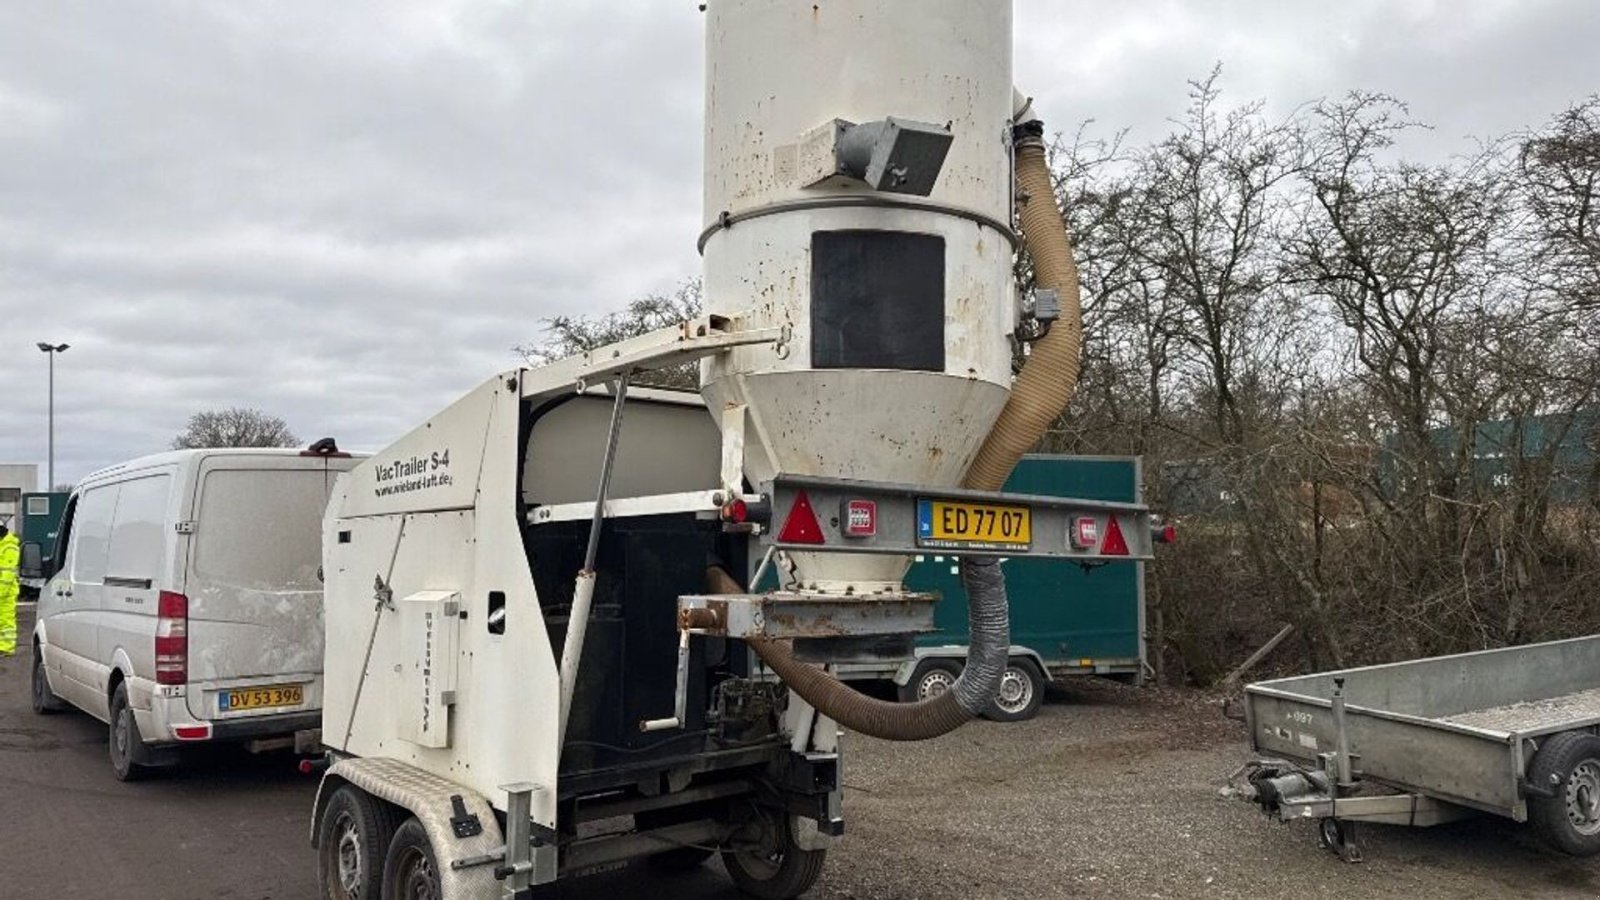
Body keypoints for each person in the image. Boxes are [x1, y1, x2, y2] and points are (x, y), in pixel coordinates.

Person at [0, 522, 18, 656]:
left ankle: (7, 648)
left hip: (6, 593)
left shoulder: (10, 547)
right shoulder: (3, 545)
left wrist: (1, 592)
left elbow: (8, 574)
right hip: (3, 590)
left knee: (6, 620)